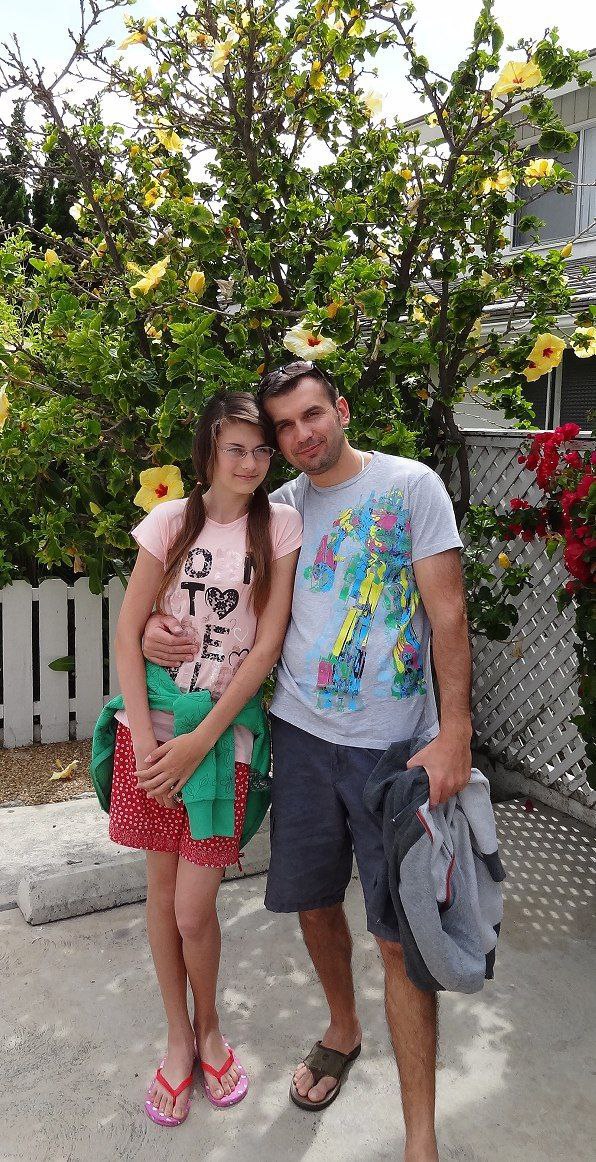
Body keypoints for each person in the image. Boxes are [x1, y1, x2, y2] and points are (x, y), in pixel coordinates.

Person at [142, 362, 472, 1161]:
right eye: (284, 427)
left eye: (312, 415)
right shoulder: (278, 512)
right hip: (299, 740)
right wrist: (154, 628)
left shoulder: (411, 486)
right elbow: (208, 592)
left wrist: (456, 731)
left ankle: (419, 1139)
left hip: (394, 751)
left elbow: (449, 612)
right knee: (316, 905)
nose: (300, 435)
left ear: (342, 409)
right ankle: (342, 1028)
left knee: (399, 939)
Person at [101, 390, 302, 1125]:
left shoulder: (278, 526)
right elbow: (128, 634)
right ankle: (180, 1039)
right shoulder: (168, 522)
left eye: (260, 450)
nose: (249, 463)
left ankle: (210, 1024)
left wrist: (202, 739)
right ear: (208, 452)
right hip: (152, 737)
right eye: (235, 449)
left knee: (194, 909)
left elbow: (267, 644)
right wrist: (146, 740)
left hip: (221, 737)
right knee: (160, 896)